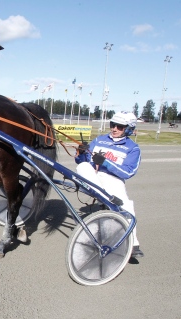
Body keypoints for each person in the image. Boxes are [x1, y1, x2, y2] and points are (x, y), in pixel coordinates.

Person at [75, 111, 144, 259]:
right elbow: (83, 161)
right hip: (93, 177)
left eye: (120, 126)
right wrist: (81, 153)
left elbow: (128, 172)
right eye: (113, 125)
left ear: (129, 129)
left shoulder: (132, 148)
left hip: (114, 180)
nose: (114, 129)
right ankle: (102, 196)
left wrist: (106, 163)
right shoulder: (99, 140)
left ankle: (133, 243)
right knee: (82, 167)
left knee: (127, 205)